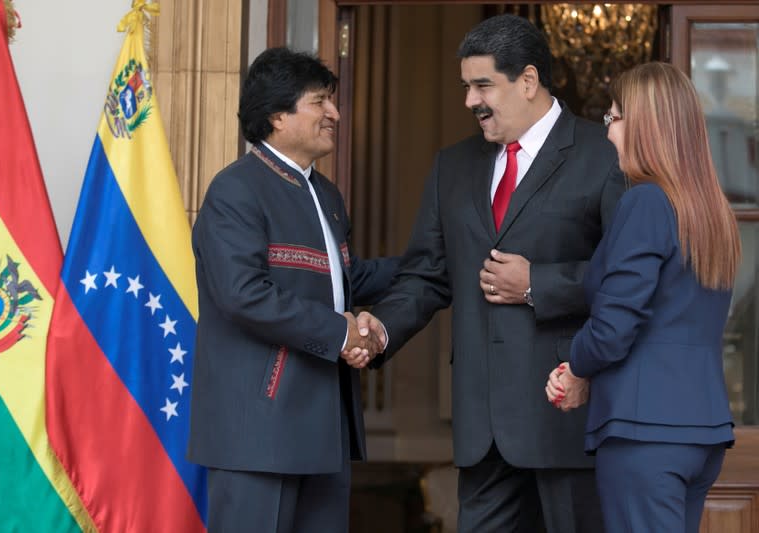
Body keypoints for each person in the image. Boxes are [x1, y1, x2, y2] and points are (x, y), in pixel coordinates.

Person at [353, 13, 625, 533]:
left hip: (566, 419)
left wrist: (537, 285)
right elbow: (426, 276)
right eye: (465, 86)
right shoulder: (451, 167)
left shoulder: (603, 155)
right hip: (482, 432)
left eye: (482, 85)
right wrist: (381, 329)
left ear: (527, 80)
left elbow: (627, 277)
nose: (469, 101)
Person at [187, 47, 397, 532]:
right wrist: (341, 334)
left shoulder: (325, 193)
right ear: (277, 115)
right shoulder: (235, 190)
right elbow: (244, 293)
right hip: (258, 429)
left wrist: (433, 266)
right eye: (320, 101)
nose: (335, 114)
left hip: (325, 427)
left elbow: (342, 283)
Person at [545, 61, 739, 533]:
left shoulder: (647, 201)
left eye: (614, 119)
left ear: (646, 127)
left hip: (645, 431)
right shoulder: (713, 213)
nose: (609, 133)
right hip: (700, 430)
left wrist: (577, 365)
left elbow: (614, 327)